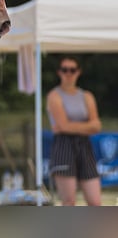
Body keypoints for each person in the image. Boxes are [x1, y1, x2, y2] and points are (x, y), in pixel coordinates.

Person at [45, 56, 102, 206]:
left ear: (78, 72)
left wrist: (70, 126)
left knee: (95, 202)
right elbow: (63, 126)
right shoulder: (54, 96)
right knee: (69, 201)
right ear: (59, 72)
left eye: (72, 70)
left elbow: (96, 126)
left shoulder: (87, 96)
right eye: (65, 70)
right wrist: (85, 126)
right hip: (64, 146)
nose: (68, 73)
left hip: (84, 147)